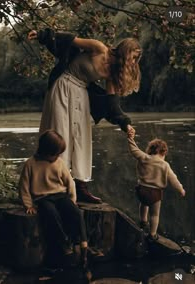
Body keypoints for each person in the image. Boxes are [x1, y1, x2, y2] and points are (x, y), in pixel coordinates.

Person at [28, 29, 141, 203]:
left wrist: (125, 124)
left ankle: (79, 187)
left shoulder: (111, 73)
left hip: (81, 94)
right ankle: (53, 184)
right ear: (125, 51)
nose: (134, 62)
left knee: (81, 139)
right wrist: (43, 36)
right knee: (60, 133)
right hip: (63, 86)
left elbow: (113, 105)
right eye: (133, 57)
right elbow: (68, 40)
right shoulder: (98, 48)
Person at [18, 129, 88, 268]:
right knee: (51, 214)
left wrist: (72, 200)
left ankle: (82, 243)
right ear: (45, 151)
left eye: (58, 154)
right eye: (55, 154)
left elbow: (70, 182)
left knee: (76, 213)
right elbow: (23, 187)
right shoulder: (30, 164)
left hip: (60, 195)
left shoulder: (59, 163)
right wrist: (28, 205)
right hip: (42, 198)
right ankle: (64, 243)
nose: (57, 156)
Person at [127, 134, 186, 241]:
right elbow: (173, 179)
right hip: (155, 192)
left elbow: (133, 149)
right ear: (163, 152)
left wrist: (130, 138)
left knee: (143, 203)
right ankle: (153, 234)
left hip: (141, 190)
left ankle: (143, 221)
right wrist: (181, 189)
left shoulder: (144, 157)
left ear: (150, 150)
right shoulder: (164, 165)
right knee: (155, 214)